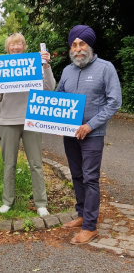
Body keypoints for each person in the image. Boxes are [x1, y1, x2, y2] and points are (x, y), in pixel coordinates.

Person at [57, 25, 122, 245]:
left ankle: (90, 226)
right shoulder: (67, 71)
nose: (77, 49)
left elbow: (114, 102)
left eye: (82, 44)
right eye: (74, 45)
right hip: (70, 134)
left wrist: (90, 125)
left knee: (90, 178)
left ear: (90, 46)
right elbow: (58, 98)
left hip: (92, 134)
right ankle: (82, 214)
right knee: (76, 174)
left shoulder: (106, 68)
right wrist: (56, 124)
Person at [0, 33, 56, 217]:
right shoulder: (2, 68)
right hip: (8, 121)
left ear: (24, 46)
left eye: (19, 43)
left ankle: (41, 203)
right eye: (13, 45)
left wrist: (46, 66)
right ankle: (7, 201)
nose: (16, 47)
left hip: (31, 120)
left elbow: (50, 87)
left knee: (36, 163)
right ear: (8, 48)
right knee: (8, 164)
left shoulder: (35, 64)